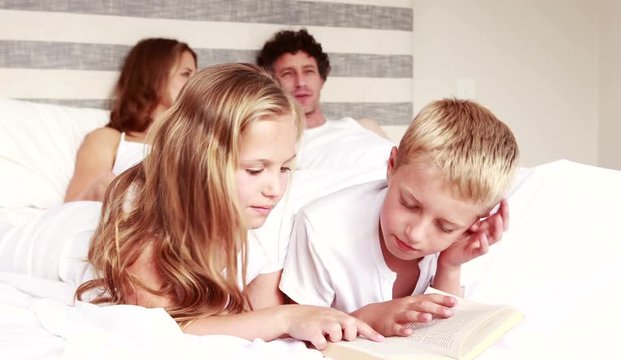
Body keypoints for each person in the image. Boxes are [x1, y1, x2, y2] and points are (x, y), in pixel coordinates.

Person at [0, 64, 382, 349]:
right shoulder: (141, 234)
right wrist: (287, 316)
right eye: (254, 169)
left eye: (284, 167)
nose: (275, 187)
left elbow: (256, 315)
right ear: (200, 161)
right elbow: (168, 323)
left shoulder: (266, 210)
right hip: (54, 235)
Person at [279, 98, 519, 337]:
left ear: (474, 223)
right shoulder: (320, 229)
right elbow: (296, 337)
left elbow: (442, 338)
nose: (415, 234)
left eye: (444, 227)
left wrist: (450, 266)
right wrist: (368, 318)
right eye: (409, 204)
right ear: (391, 166)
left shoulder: (463, 239)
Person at [64, 38, 197, 202]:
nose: (195, 82)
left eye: (195, 75)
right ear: (153, 75)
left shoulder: (196, 143)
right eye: (186, 73)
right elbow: (72, 210)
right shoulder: (108, 140)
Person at [256, 28, 394, 170]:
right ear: (272, 84)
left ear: (321, 79)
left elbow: (407, 162)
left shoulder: (364, 126)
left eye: (308, 71)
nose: (301, 82)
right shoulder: (275, 147)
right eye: (288, 74)